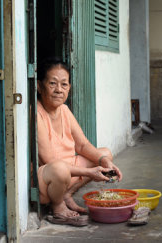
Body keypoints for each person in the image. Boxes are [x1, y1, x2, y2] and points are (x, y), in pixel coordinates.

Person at [36, 57, 123, 226]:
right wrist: (91, 173)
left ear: (69, 88)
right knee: (59, 169)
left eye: (64, 84)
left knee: (104, 153)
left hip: (66, 171)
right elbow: (50, 161)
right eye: (52, 83)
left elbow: (82, 145)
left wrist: (104, 162)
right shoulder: (36, 113)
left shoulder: (64, 110)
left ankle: (66, 194)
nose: (59, 90)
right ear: (39, 86)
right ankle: (57, 206)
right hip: (47, 178)